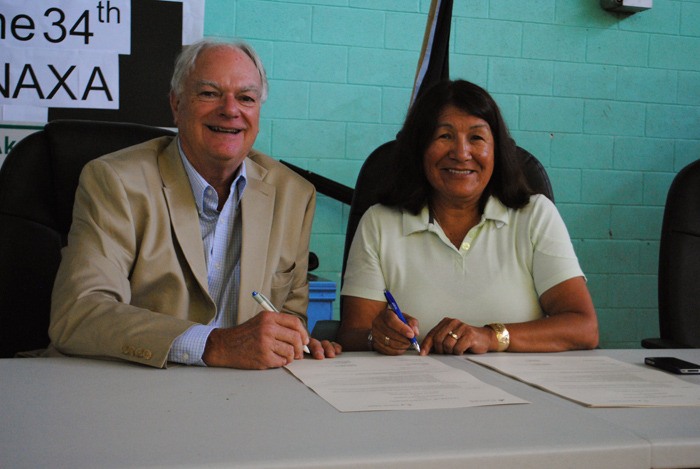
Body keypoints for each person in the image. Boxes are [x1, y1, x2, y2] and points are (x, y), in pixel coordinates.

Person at [48, 39, 341, 369]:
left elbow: (288, 315)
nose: (230, 109)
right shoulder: (115, 181)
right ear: (176, 105)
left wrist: (292, 340)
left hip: (242, 392)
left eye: (246, 98)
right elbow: (79, 312)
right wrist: (213, 344)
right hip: (132, 384)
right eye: (209, 94)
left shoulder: (294, 195)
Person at [338, 79, 598, 355]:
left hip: (521, 392)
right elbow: (352, 332)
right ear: (420, 148)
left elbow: (583, 327)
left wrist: (491, 337)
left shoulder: (534, 215)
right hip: (414, 389)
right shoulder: (380, 223)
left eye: (476, 138)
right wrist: (378, 336)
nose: (461, 154)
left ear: (497, 150)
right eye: (444, 136)